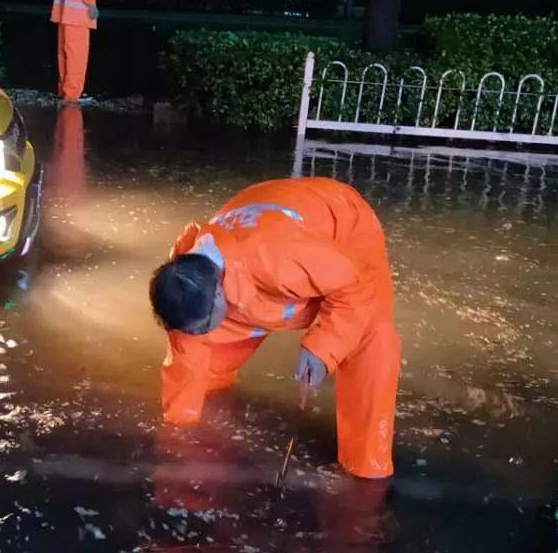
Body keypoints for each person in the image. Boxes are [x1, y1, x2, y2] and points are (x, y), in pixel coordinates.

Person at [149, 177, 400, 479]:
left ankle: (366, 470)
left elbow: (356, 288)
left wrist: (322, 349)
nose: (199, 334)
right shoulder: (184, 277)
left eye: (202, 325)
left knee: (369, 335)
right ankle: (206, 422)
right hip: (267, 229)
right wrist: (179, 437)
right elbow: (185, 354)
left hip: (342, 228)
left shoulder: (280, 257)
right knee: (203, 362)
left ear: (219, 291)